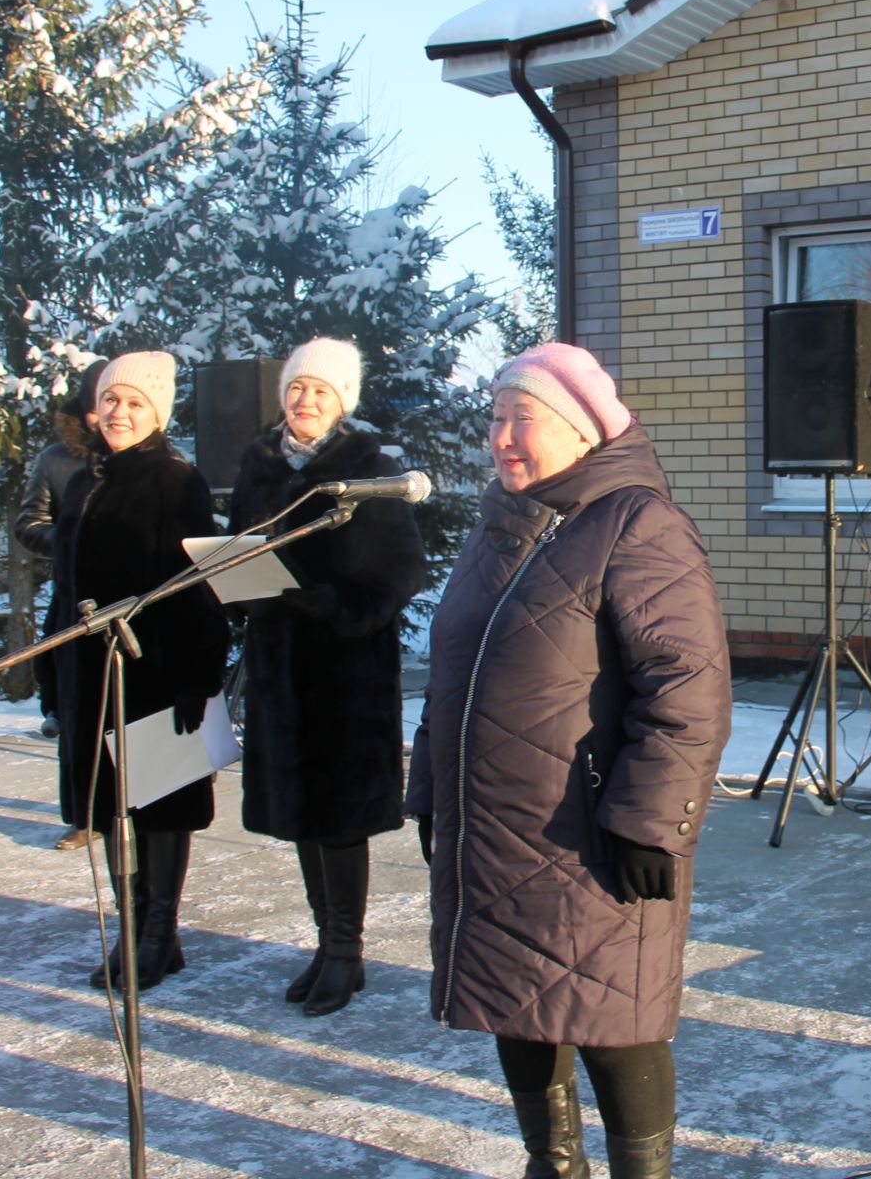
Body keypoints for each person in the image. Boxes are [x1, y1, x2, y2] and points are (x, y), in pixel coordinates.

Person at [405, 342, 731, 1179]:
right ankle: (551, 1163)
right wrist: (430, 791)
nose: (501, 439)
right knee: (515, 1003)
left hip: (589, 836)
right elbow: (455, 673)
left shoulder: (637, 524)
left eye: (523, 420)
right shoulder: (503, 525)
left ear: (582, 431)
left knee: (614, 1018)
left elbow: (687, 690)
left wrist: (651, 823)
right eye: (495, 418)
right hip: (496, 826)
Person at [230, 338, 426, 1017]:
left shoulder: (368, 470)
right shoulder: (258, 466)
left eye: (320, 391)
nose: (305, 400)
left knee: (340, 818)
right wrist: (236, 585)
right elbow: (237, 549)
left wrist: (340, 607)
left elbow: (404, 569)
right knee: (301, 815)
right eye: (296, 388)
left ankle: (347, 952)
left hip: (345, 672)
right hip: (279, 670)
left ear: (342, 401)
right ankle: (324, 943)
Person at [54, 351, 229, 991]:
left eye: (134, 404)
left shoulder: (176, 481)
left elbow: (196, 586)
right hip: (88, 671)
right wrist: (54, 674)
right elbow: (62, 586)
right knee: (106, 806)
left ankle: (159, 934)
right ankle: (135, 929)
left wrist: (196, 677)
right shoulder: (82, 481)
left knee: (157, 803)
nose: (118, 414)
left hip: (152, 667)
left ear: (157, 412)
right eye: (110, 401)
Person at [13, 359, 105, 851]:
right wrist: (73, 541)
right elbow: (28, 524)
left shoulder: (151, 458)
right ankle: (84, 815)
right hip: (72, 599)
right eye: (98, 404)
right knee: (76, 712)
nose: (106, 415)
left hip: (128, 599)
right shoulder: (55, 459)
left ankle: (132, 806)